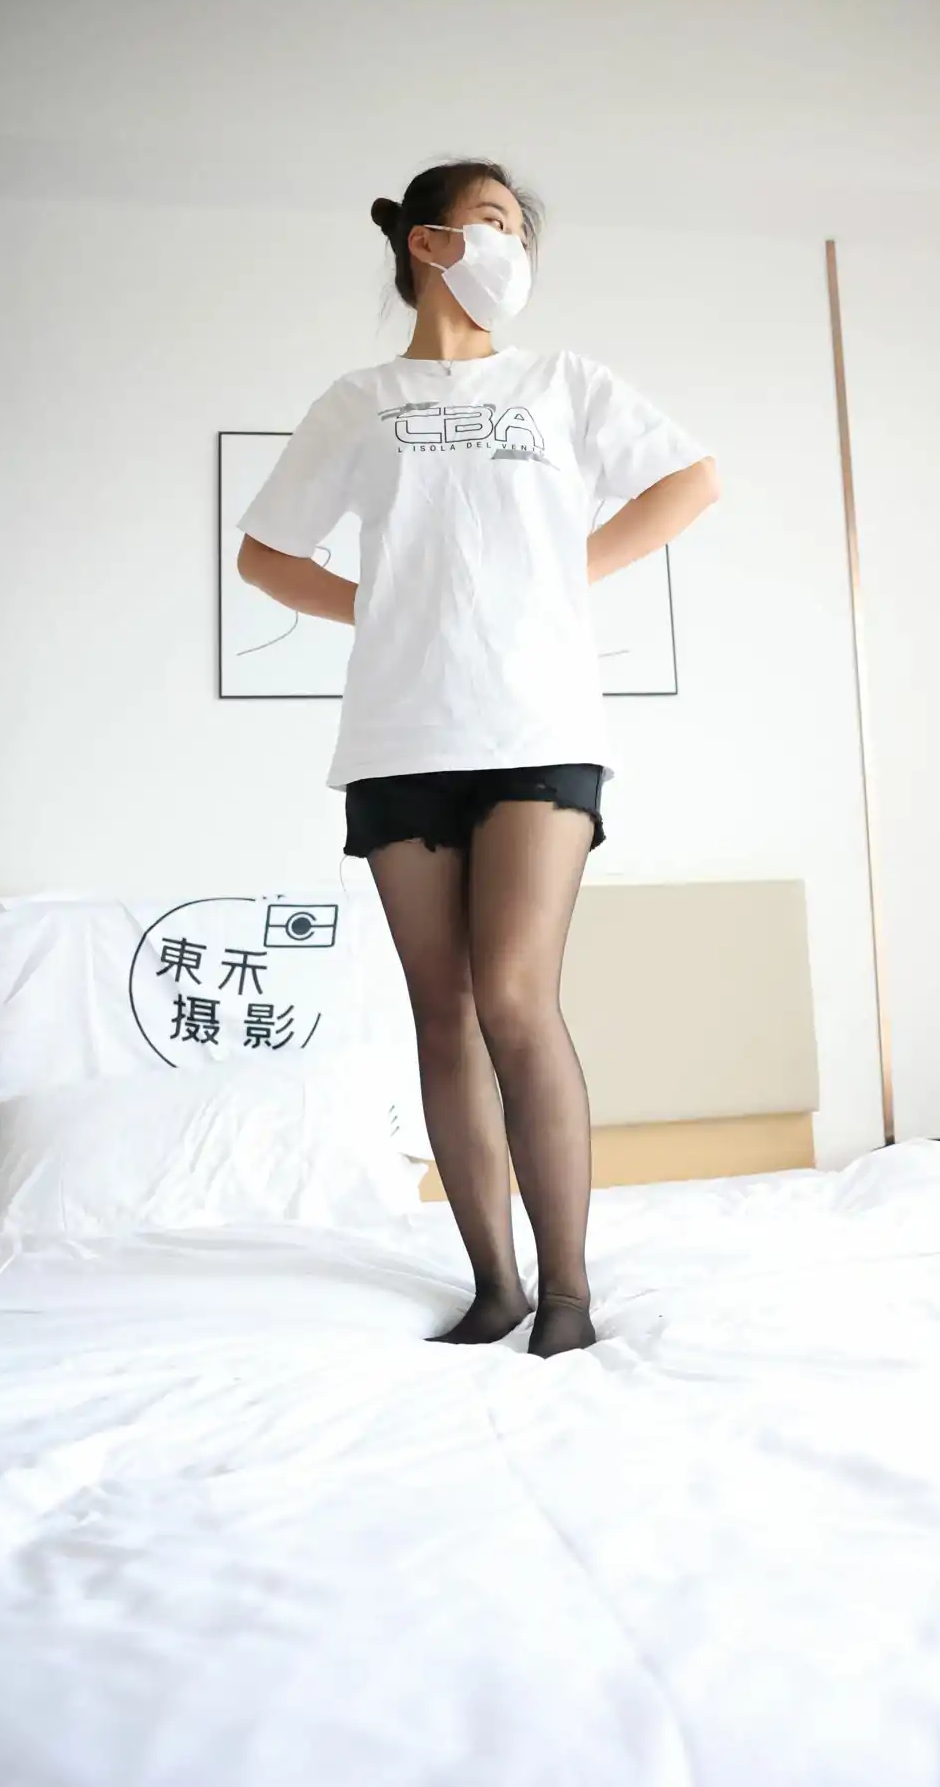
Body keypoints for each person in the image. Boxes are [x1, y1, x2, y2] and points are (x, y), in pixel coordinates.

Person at [237, 159, 718, 1357]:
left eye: (519, 229)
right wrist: (386, 605)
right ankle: (494, 1286)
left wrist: (562, 578)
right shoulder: (358, 402)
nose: (513, 246)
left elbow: (692, 480)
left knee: (512, 997)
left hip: (539, 728)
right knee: (442, 1015)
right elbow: (265, 556)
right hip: (401, 733)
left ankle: (569, 1297)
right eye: (493, 221)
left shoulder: (564, 384)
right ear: (428, 241)